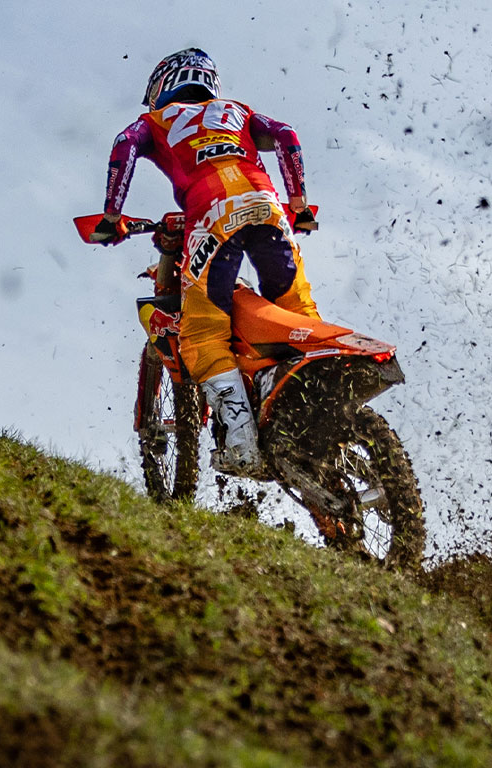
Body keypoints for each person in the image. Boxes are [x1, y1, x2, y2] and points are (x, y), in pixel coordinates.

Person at [94, 48, 321, 478]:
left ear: (163, 85)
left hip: (213, 215)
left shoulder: (155, 121)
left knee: (202, 334)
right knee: (297, 312)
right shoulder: (238, 111)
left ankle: (242, 445)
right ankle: (301, 401)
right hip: (269, 207)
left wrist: (110, 216)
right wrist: (300, 205)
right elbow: (288, 135)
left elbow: (123, 146)